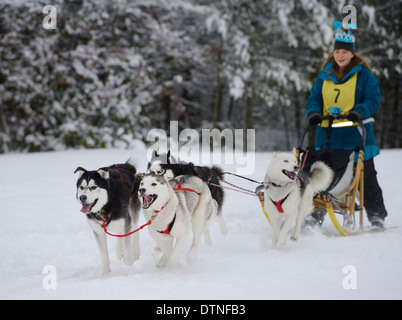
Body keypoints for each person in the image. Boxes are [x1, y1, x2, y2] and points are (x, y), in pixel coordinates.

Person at [305, 21, 387, 229]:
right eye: (337, 52)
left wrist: (359, 111)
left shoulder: (365, 76)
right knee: (323, 175)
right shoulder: (325, 76)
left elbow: (372, 100)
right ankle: (315, 214)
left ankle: (376, 216)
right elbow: (314, 98)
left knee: (365, 176)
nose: (340, 56)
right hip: (328, 135)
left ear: (352, 54)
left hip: (357, 135)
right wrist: (313, 113)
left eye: (344, 52)